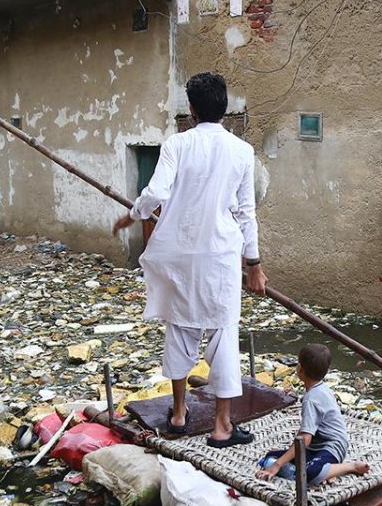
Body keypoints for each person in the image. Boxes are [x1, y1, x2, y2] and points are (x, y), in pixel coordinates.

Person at [112, 72, 266, 448]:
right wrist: (254, 265)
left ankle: (179, 414)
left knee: (180, 327)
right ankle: (222, 426)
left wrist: (133, 214)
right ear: (224, 109)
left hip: (180, 253)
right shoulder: (242, 151)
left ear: (192, 109)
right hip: (219, 256)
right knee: (223, 332)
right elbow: (246, 213)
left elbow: (156, 192)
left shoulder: (176, 145)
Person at [255, 344, 369, 484]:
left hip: (331, 447)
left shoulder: (311, 399)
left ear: (300, 368)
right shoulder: (321, 388)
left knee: (308, 473)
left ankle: (350, 466)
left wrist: (277, 466)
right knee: (269, 457)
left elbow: (305, 439)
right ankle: (328, 471)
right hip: (315, 448)